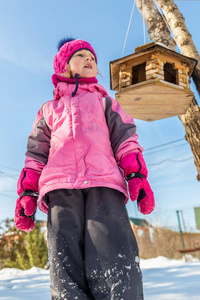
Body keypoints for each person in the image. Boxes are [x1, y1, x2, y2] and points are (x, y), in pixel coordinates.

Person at [15, 38, 155, 300]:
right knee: (66, 267)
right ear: (65, 66)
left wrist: (136, 176)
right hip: (60, 191)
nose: (89, 59)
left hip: (104, 186)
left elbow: (126, 140)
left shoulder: (106, 103)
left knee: (114, 258)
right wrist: (27, 193)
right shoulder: (49, 110)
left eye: (92, 57)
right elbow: (35, 155)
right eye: (80, 55)